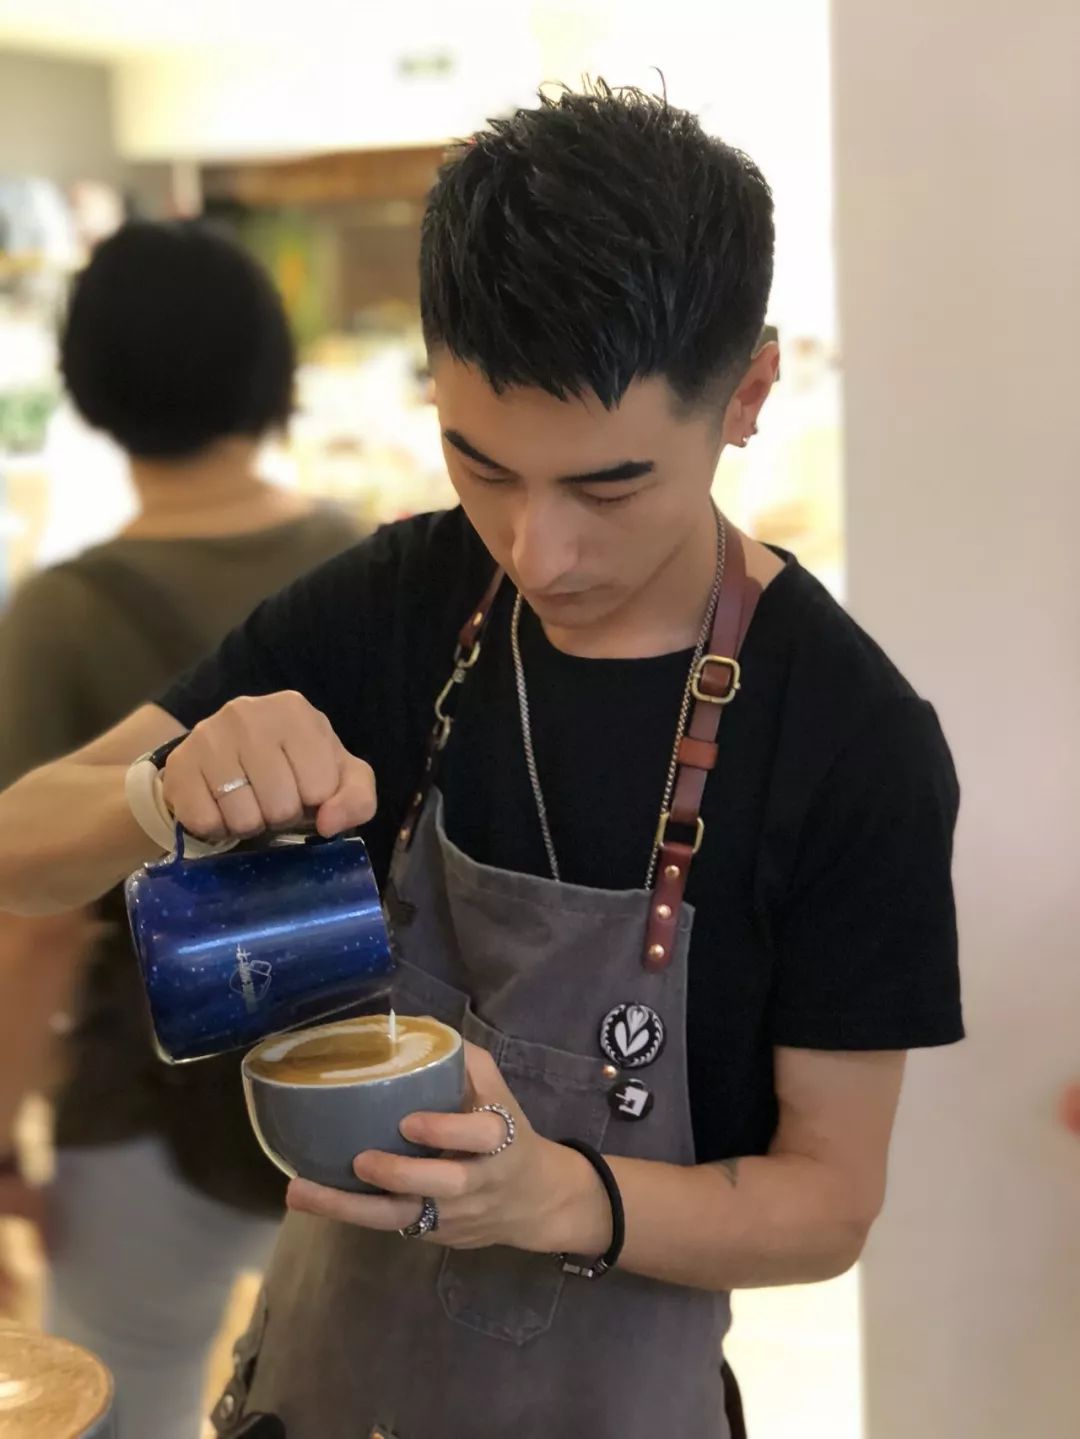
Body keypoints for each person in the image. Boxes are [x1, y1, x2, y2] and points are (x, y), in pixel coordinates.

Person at [0, 86, 963, 1439]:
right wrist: (160, 791)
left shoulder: (850, 739)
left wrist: (560, 1195)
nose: (535, 551)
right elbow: (22, 852)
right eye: (480, 463)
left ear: (745, 392)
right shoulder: (399, 601)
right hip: (320, 1392)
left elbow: (828, 1203)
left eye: (609, 486)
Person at [0, 221, 357, 1436]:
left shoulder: (64, 615)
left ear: (89, 382)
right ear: (272, 365)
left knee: (123, 1399)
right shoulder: (362, 567)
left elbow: (33, 925)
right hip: (352, 1079)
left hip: (142, 1111)